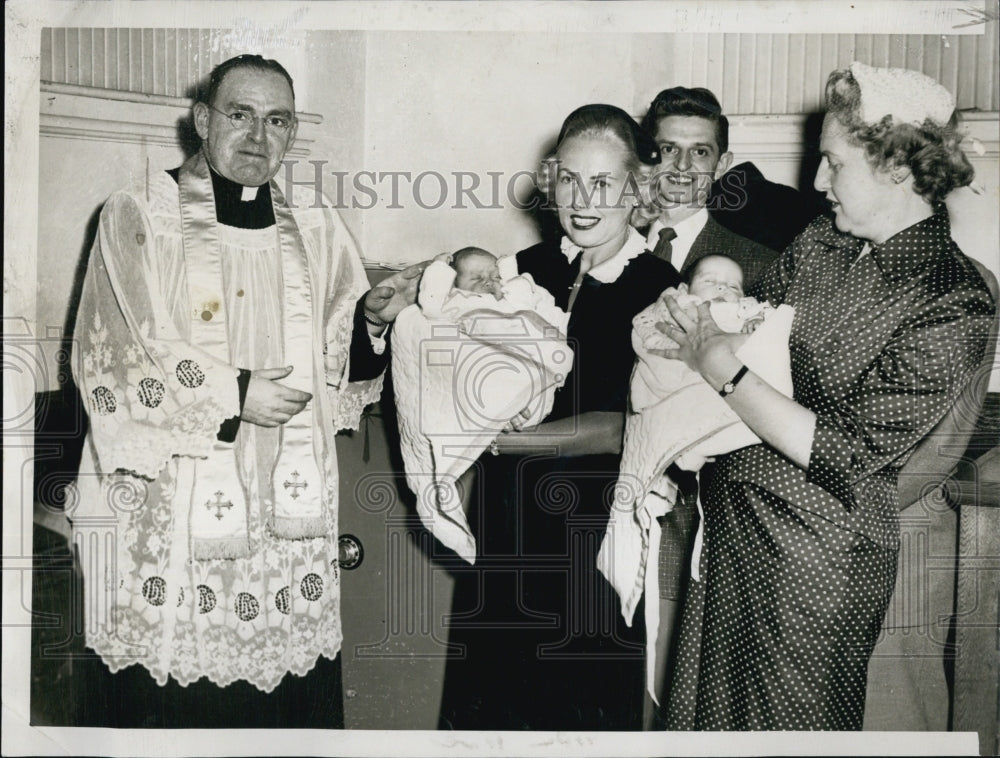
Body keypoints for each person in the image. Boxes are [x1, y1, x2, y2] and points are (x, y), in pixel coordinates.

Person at [68, 54, 425, 728]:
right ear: (202, 120)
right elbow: (116, 349)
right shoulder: (140, 213)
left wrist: (371, 321)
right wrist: (233, 393)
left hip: (284, 522)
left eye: (278, 120)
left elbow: (337, 354)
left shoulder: (316, 228)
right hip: (173, 502)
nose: (259, 137)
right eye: (240, 115)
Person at [658, 62, 995, 730]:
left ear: (895, 167)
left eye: (832, 164)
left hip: (812, 563)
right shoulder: (823, 243)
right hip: (735, 537)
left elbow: (846, 453)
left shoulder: (953, 296)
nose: (816, 182)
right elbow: (759, 337)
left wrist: (719, 368)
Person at [437, 104, 681, 730]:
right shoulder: (528, 270)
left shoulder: (661, 287)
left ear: (637, 188)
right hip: (507, 521)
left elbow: (638, 425)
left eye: (603, 183)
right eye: (569, 180)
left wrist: (514, 444)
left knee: (576, 706)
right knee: (492, 705)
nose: (583, 199)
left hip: (591, 529)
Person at [637, 86, 781, 724]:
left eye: (701, 153)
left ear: (722, 165)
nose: (682, 169)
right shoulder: (610, 244)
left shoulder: (760, 263)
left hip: (701, 504)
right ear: (646, 157)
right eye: (667, 150)